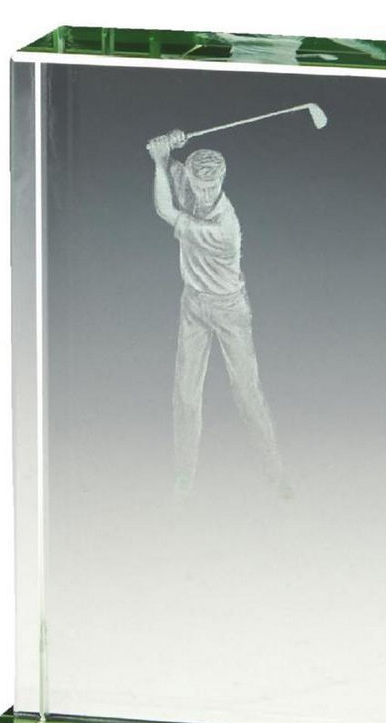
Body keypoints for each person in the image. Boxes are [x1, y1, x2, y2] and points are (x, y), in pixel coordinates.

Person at [146, 129, 287, 498]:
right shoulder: (189, 184)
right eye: (199, 186)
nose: (205, 193)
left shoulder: (225, 227)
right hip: (193, 304)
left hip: (229, 309)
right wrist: (166, 148)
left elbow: (165, 209)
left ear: (222, 180)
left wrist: (159, 161)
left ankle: (275, 473)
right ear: (192, 180)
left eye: (212, 186)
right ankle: (183, 480)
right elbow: (167, 166)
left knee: (247, 393)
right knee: (185, 395)